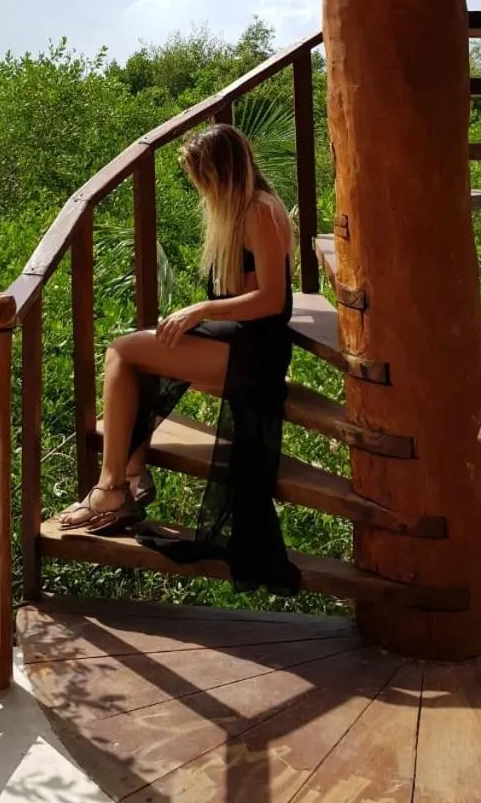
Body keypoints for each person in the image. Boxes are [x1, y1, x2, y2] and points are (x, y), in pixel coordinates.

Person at [56, 123, 300, 594]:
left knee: (125, 352)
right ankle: (128, 476)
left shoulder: (260, 212)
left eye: (200, 174)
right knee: (133, 353)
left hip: (257, 352)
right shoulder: (240, 211)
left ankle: (115, 486)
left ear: (221, 171)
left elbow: (272, 301)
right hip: (238, 339)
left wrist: (199, 309)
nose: (197, 185)